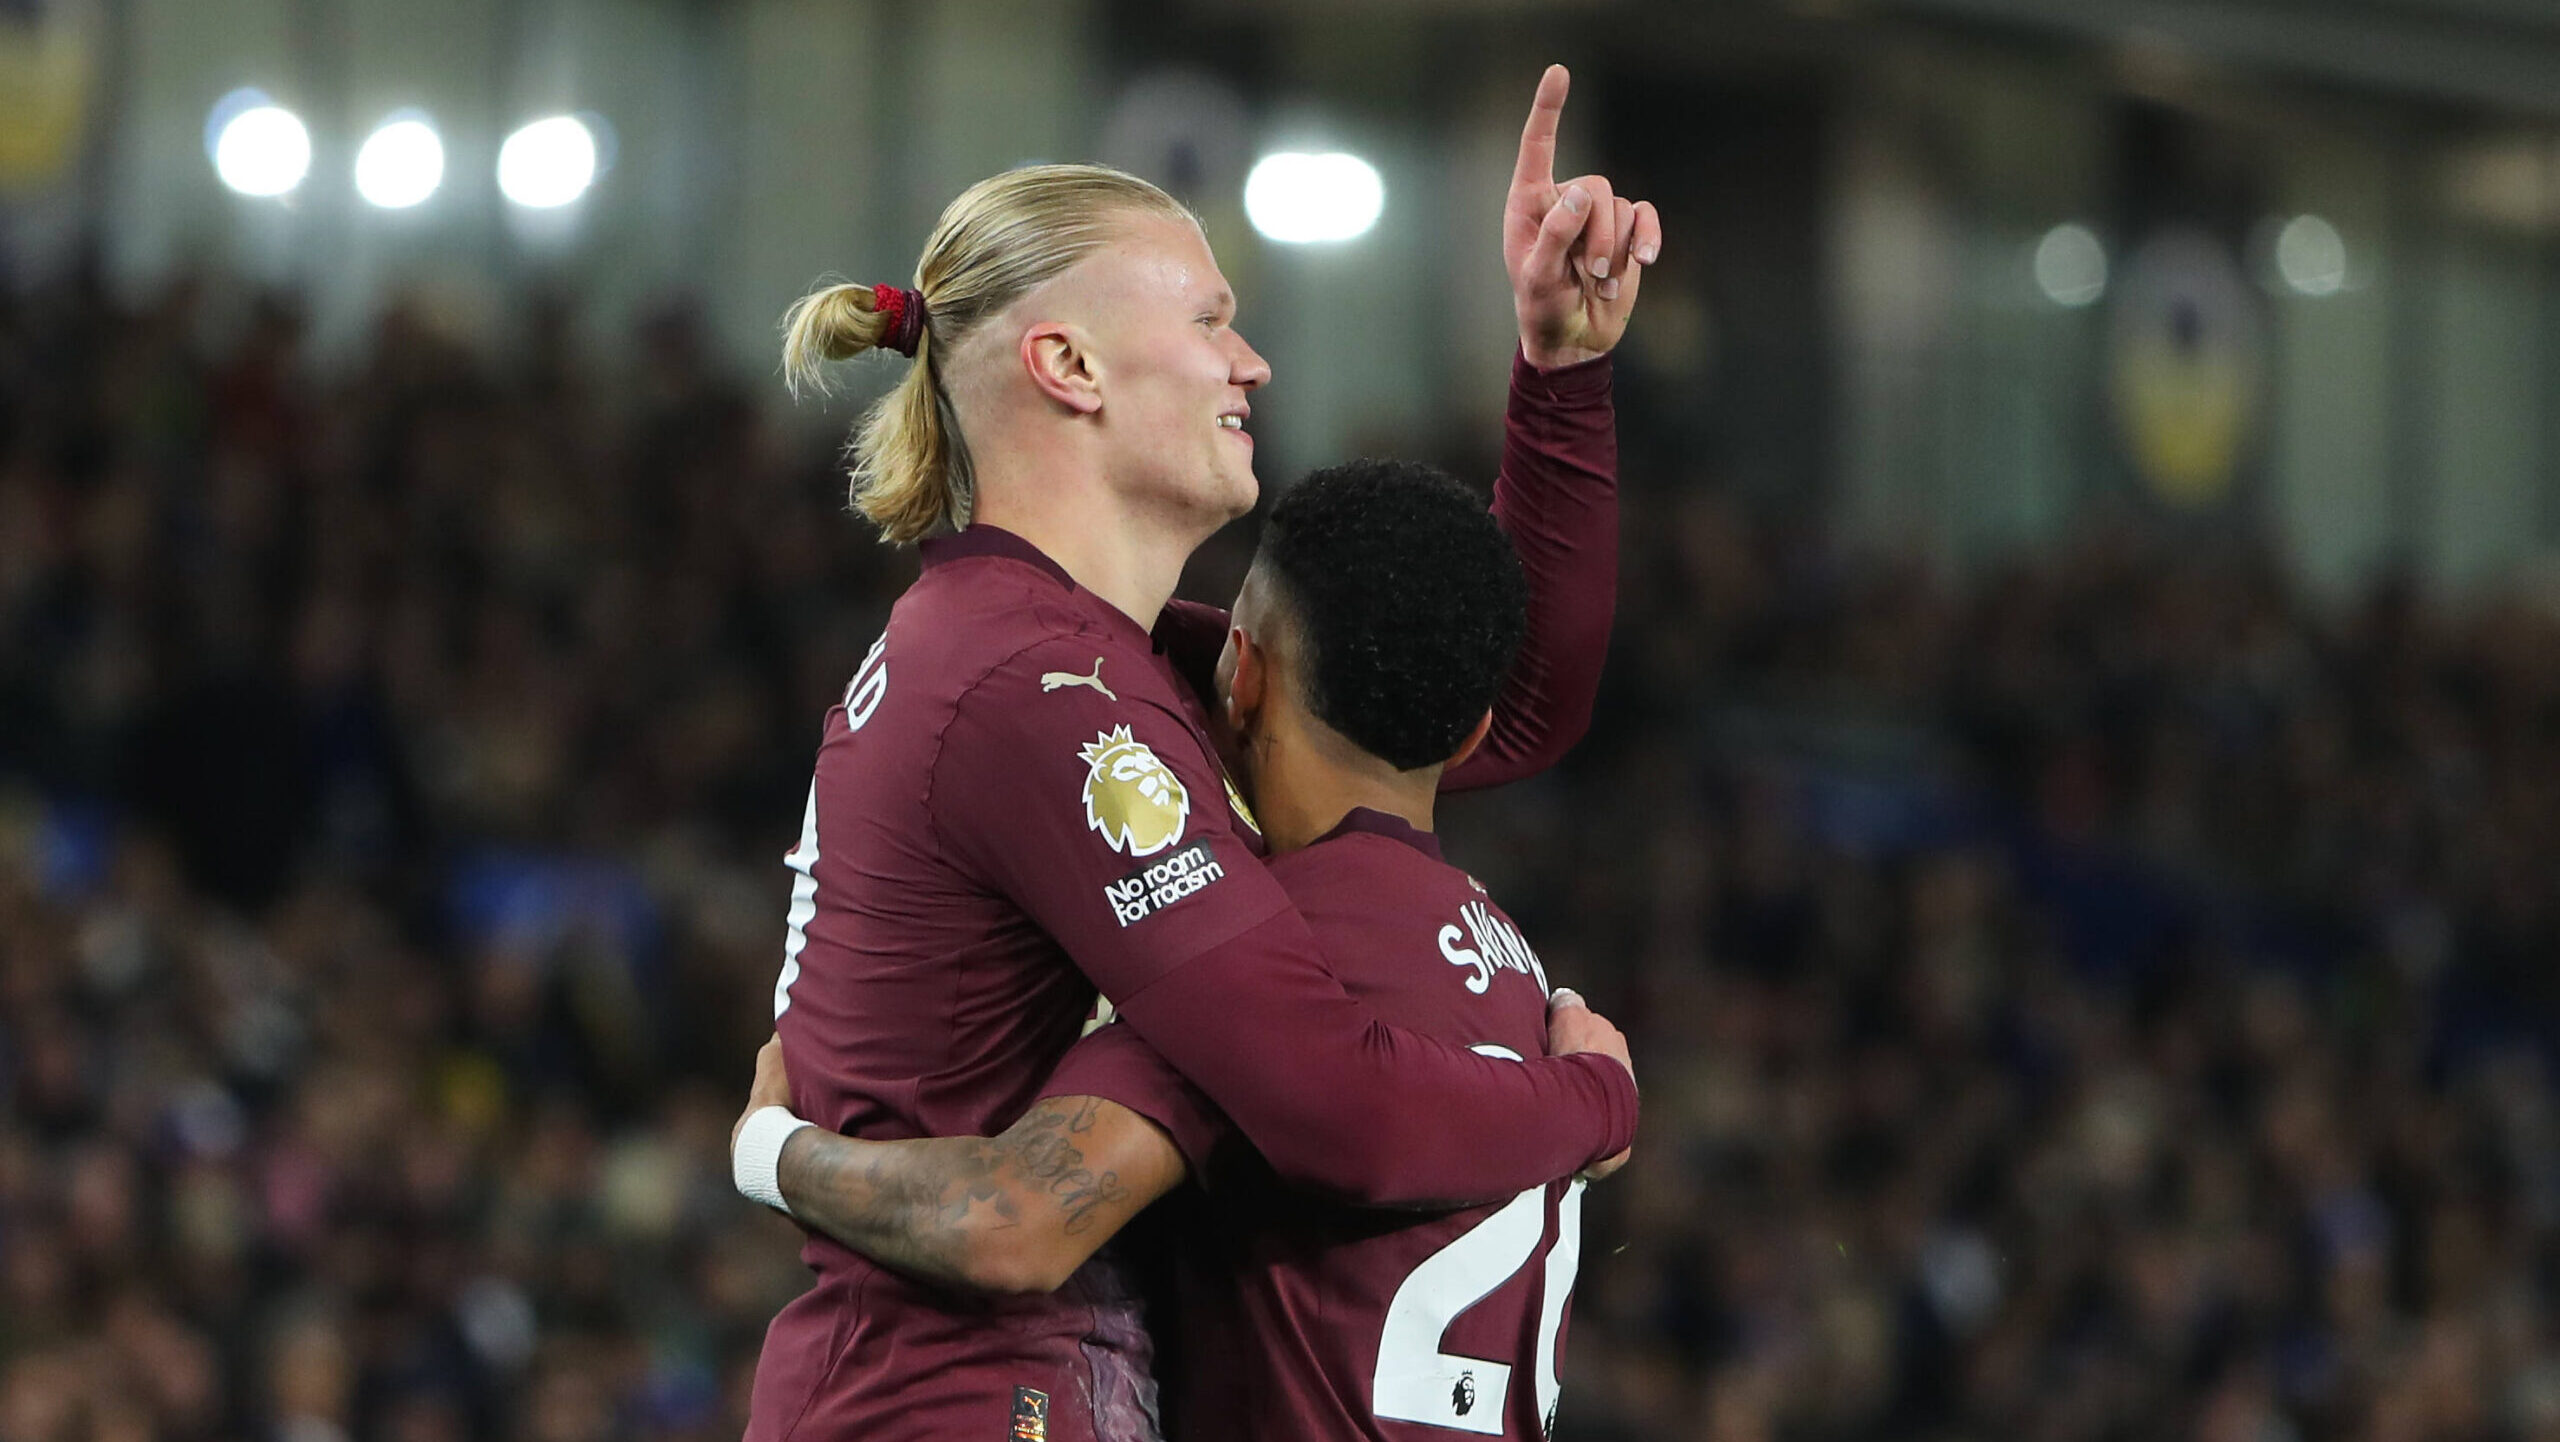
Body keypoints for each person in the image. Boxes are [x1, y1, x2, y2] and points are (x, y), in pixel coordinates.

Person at [735, 65, 1660, 1442]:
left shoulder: (1086, 662)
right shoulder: (1044, 691)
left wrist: (1561, 379)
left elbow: (1475, 705)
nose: (1255, 361)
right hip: (961, 1407)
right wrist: (1591, 1096)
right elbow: (1338, 1104)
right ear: (1068, 366)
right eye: (1214, 319)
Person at [739, 459, 1618, 1440]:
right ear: (1471, 738)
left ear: (1241, 675)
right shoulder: (1523, 973)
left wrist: (775, 1151)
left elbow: (1013, 1219)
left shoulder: (1263, 942)